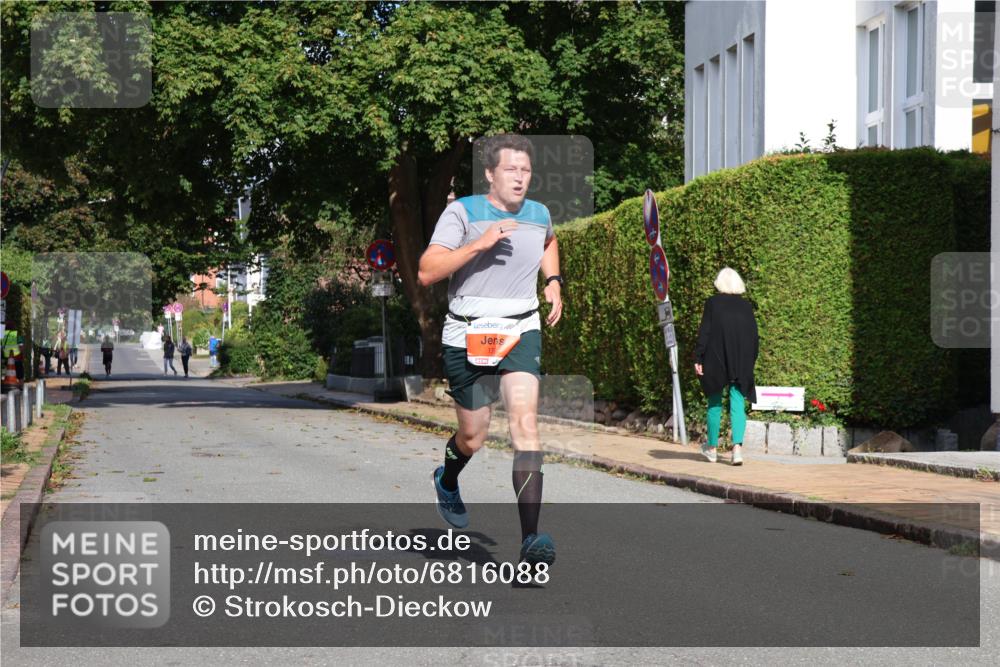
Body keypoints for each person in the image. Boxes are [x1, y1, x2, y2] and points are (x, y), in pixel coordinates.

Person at [418, 134, 563, 567]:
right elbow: (427, 271)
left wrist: (553, 282)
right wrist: (479, 244)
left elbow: (549, 242)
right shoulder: (461, 212)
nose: (520, 179)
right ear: (490, 174)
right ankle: (447, 478)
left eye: (526, 171)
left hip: (521, 328)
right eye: (511, 171)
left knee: (525, 426)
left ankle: (531, 542)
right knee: (473, 436)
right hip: (467, 333)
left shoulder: (538, 213)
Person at [694, 267, 760, 466]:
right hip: (741, 360)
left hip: (716, 359)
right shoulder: (746, 306)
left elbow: (705, 332)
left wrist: (698, 357)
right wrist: (750, 361)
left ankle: (712, 449)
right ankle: (737, 450)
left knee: (714, 402)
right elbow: (754, 337)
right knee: (738, 403)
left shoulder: (712, 303)